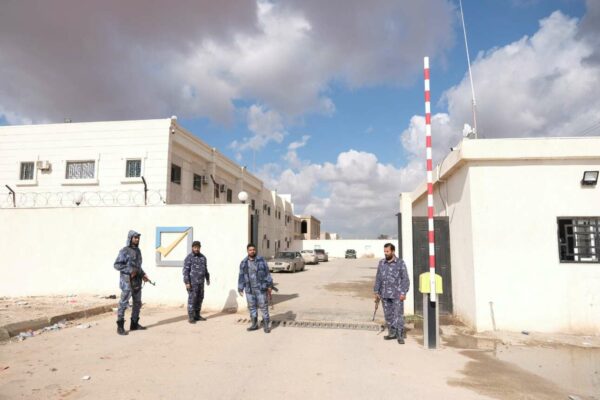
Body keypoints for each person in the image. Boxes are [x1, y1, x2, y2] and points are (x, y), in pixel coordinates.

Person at [113, 230, 151, 336]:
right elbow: (117, 265)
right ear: (130, 238)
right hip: (127, 282)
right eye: (135, 238)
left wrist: (143, 275)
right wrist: (130, 270)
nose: (137, 239)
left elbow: (138, 266)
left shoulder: (138, 251)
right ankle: (120, 326)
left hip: (137, 282)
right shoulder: (124, 251)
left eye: (138, 238)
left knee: (137, 303)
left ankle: (134, 324)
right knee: (123, 303)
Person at [373, 243, 410, 344]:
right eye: (384, 251)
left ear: (393, 251)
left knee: (398, 315)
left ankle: (400, 335)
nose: (385, 253)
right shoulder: (382, 263)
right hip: (384, 294)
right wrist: (376, 291)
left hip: (397, 294)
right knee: (388, 315)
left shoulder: (400, 263)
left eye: (387, 251)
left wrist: (403, 292)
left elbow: (405, 279)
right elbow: (378, 278)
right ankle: (392, 333)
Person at [238, 243, 273, 333]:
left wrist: (269, 285)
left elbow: (267, 273)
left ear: (255, 250)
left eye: (253, 249)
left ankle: (266, 325)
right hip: (249, 289)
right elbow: (241, 276)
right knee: (252, 307)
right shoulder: (243, 262)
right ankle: (254, 325)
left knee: (263, 307)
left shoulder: (261, 260)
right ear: (247, 251)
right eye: (250, 250)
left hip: (260, 288)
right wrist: (240, 288)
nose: (252, 251)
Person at [183, 241, 210, 324]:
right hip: (192, 283)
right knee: (192, 299)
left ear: (200, 248)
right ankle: (191, 316)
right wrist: (187, 282)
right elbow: (185, 271)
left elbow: (205, 269)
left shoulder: (203, 258)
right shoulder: (189, 258)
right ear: (192, 248)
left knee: (200, 298)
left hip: (201, 283)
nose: (196, 249)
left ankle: (197, 315)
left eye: (198, 247)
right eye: (195, 247)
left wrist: (207, 278)